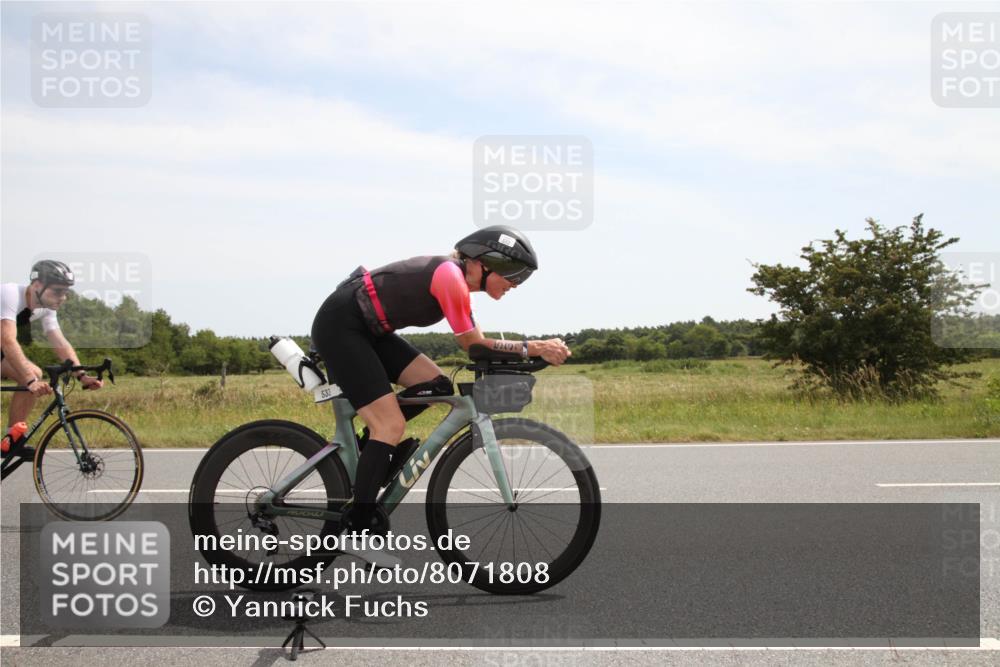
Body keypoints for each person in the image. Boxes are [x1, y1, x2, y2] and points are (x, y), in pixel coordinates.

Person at [310, 226, 571, 560]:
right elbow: (474, 346)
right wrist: (535, 347)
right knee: (389, 426)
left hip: (367, 330)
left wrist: (532, 352)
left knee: (437, 387)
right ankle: (357, 530)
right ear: (485, 262)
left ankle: (368, 449)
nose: (515, 284)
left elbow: (479, 344)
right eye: (513, 274)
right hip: (342, 326)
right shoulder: (450, 277)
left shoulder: (456, 281)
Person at [1, 260, 103, 455]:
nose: (62, 297)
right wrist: (30, 381)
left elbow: (59, 341)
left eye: (66, 292)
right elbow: (7, 341)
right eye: (57, 291)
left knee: (33, 373)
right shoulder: (9, 294)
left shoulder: (46, 307)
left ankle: (11, 441)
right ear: (37, 285)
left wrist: (81, 375)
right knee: (30, 376)